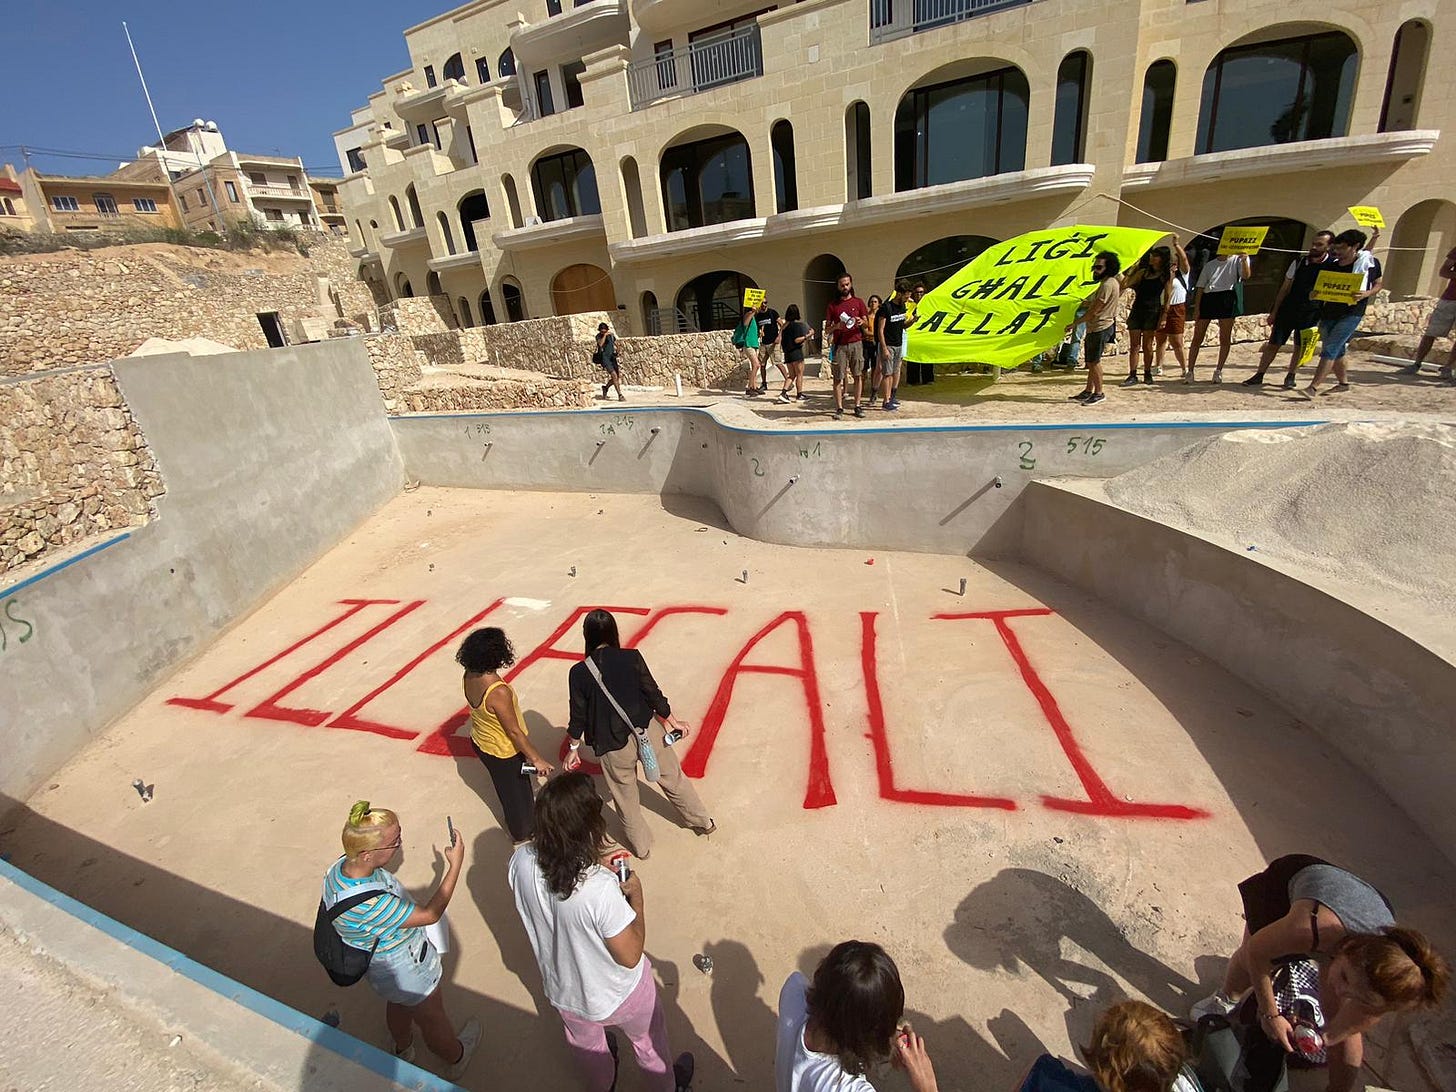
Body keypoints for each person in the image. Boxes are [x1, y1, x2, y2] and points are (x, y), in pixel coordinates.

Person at [1190, 854, 1448, 1092]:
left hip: (1355, 905)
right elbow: (1256, 954)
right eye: (1345, 977)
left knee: (1337, 1011)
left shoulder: (1388, 983)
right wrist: (1270, 1014)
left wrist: (1327, 1037)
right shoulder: (1314, 928)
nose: (1342, 991)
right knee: (1249, 963)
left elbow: (1346, 1030)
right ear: (1348, 950)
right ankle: (1226, 998)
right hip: (1291, 885)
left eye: (1362, 998)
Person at [509, 773, 696, 1092]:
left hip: (566, 993)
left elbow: (556, 891)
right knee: (649, 1045)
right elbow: (630, 954)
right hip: (619, 993)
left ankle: (604, 1085)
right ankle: (666, 1087)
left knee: (590, 1054)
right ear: (588, 829)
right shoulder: (598, 889)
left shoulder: (520, 861)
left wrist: (591, 864)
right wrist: (635, 895)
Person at [323, 801, 480, 1079]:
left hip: (382, 968)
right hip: (407, 964)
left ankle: (403, 1047)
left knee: (397, 1001)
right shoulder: (373, 904)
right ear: (368, 854)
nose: (400, 845)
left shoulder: (339, 868)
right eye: (394, 841)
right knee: (432, 1017)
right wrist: (454, 865)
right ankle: (455, 1057)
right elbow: (430, 914)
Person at [564, 609, 714, 858]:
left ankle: (642, 847)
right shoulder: (631, 657)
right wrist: (672, 720)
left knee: (625, 797)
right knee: (673, 778)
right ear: (613, 632)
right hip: (647, 731)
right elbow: (652, 692)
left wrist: (572, 749)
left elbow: (578, 715)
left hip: (612, 745)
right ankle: (702, 821)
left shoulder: (579, 673)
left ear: (586, 636)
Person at [776, 940, 937, 1092]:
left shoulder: (794, 990)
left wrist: (883, 1035)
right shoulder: (844, 1087)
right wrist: (926, 1086)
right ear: (864, 1039)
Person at [456, 627, 555, 843]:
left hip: (481, 741)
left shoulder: (469, 674)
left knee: (505, 789)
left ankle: (521, 825)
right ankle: (523, 835)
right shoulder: (498, 691)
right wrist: (536, 759)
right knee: (518, 799)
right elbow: (513, 731)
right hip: (504, 752)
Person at [1244, 231, 1333, 390]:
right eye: (1313, 243)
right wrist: (1274, 311)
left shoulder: (1332, 266)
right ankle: (1259, 374)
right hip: (1289, 308)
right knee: (1274, 343)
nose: (1314, 247)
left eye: (1319, 244)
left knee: (1300, 345)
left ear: (1329, 246)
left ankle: (1291, 374)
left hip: (1311, 312)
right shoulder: (1299, 262)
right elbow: (1285, 288)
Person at [1305, 230, 1382, 396]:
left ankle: (1313, 387)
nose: (1337, 252)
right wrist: (1315, 295)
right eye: (1336, 248)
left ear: (1354, 247)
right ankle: (1343, 383)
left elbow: (1378, 284)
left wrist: (1366, 294)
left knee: (1331, 349)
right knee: (1336, 350)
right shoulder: (1332, 265)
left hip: (1352, 312)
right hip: (1329, 311)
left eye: (1341, 248)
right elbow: (1319, 288)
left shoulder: (1367, 263)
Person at [1187, 250, 1252, 383]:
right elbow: (1200, 287)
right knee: (1198, 336)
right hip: (1209, 297)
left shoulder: (1237, 260)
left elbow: (1245, 276)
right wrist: (1197, 308)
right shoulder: (1210, 265)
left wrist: (1244, 260)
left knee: (1225, 337)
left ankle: (1218, 370)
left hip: (1227, 296)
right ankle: (1190, 371)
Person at [1068, 252, 1123, 406]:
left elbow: (1095, 310)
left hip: (1100, 327)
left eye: (1098, 267)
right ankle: (1088, 391)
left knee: (1094, 362)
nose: (1095, 270)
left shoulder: (1107, 284)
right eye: (1094, 267)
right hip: (1099, 326)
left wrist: (1075, 323)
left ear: (1108, 267)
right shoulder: (1109, 282)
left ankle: (1099, 393)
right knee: (1091, 361)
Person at [1400, 244, 1456, 382]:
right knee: (1431, 332)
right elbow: (1443, 271)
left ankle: (1448, 367)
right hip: (1450, 299)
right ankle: (1417, 363)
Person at [1121, 248, 1172, 386]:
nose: (1152, 257)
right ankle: (1132, 374)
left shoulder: (1165, 276)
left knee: (1148, 345)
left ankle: (1147, 372)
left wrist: (1164, 317)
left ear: (1162, 258)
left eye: (1155, 256)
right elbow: (1125, 284)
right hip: (1138, 309)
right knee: (1134, 345)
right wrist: (1132, 269)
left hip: (1152, 310)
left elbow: (1167, 298)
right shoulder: (1143, 273)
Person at [824, 273, 870, 418]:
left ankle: (857, 405)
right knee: (838, 377)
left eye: (847, 284)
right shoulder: (832, 305)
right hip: (840, 345)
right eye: (842, 285)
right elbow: (827, 330)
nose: (845, 287)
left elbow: (867, 323)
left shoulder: (859, 302)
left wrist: (862, 322)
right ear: (838, 286)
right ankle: (839, 408)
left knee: (857, 375)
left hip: (856, 343)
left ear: (851, 284)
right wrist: (837, 326)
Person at [1152, 237, 1192, 378]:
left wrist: (1176, 245)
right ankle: (1158, 366)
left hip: (1176, 308)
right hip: (1162, 307)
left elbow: (1185, 260)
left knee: (1177, 340)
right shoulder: (1163, 275)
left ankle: (1184, 367)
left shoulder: (1182, 275)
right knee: (1160, 339)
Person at [875, 282, 910, 410]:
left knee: (894, 372)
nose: (907, 299)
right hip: (888, 344)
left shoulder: (902, 307)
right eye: (906, 297)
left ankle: (891, 397)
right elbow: (880, 330)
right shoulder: (886, 307)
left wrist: (912, 321)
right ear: (899, 294)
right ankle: (885, 400)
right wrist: (884, 348)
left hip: (898, 344)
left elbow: (902, 325)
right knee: (887, 374)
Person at [777, 304, 815, 403]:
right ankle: (799, 394)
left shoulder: (784, 327)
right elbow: (797, 340)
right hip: (796, 353)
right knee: (799, 374)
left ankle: (784, 393)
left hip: (787, 353)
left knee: (791, 375)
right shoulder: (796, 326)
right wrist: (808, 335)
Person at [733, 306, 762, 397]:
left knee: (755, 366)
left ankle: (754, 386)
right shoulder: (748, 315)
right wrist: (752, 312)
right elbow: (745, 324)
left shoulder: (753, 317)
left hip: (753, 344)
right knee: (756, 365)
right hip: (748, 344)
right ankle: (749, 387)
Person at [756, 298, 785, 394]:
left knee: (778, 363)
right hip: (763, 343)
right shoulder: (758, 316)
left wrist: (779, 336)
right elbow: (757, 329)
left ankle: (788, 381)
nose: (764, 304)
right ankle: (764, 384)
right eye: (762, 303)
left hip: (773, 343)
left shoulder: (772, 313)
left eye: (765, 302)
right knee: (762, 364)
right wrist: (759, 333)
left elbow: (782, 325)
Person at [596, 322, 624, 402]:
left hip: (612, 358)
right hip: (605, 359)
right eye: (602, 332)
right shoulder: (598, 336)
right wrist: (604, 335)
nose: (604, 333)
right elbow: (600, 344)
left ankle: (606, 387)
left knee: (616, 377)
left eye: (605, 331)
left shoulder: (611, 336)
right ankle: (620, 395)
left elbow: (616, 344)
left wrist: (618, 350)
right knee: (614, 375)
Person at [863, 294, 883, 404]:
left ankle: (873, 389)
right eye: (871, 301)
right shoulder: (866, 316)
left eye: (875, 301)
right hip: (867, 343)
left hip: (877, 344)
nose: (872, 303)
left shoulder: (881, 316)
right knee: (864, 367)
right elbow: (865, 331)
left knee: (876, 368)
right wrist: (875, 335)